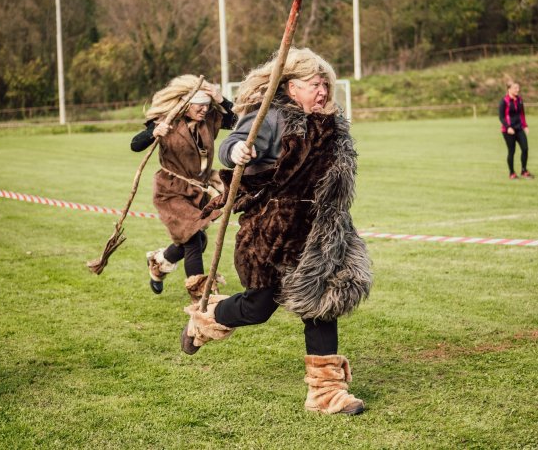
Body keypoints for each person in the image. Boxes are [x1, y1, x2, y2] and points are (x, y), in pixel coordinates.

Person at [181, 48, 373, 415]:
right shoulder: (269, 116)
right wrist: (239, 151)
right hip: (273, 230)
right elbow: (231, 144)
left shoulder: (330, 121)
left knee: (321, 301)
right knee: (257, 307)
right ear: (291, 87)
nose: (323, 91)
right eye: (315, 85)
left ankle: (326, 393)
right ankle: (205, 320)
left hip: (321, 231)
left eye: (325, 85)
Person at [130, 75, 236, 302]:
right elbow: (135, 144)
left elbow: (239, 121)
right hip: (171, 190)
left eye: (208, 104)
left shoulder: (210, 118)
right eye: (200, 104)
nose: (205, 109)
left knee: (198, 240)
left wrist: (221, 98)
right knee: (193, 240)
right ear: (186, 104)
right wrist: (153, 133)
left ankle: (159, 262)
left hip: (200, 189)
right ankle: (199, 293)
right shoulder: (167, 120)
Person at [499, 81, 534, 180]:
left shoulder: (519, 100)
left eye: (518, 88)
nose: (517, 90)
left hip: (519, 128)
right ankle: (512, 173)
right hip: (508, 131)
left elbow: (522, 114)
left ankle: (524, 171)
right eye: (515, 88)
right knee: (512, 151)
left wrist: (525, 125)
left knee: (525, 148)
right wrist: (508, 127)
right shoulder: (504, 101)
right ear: (509, 89)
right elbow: (501, 117)